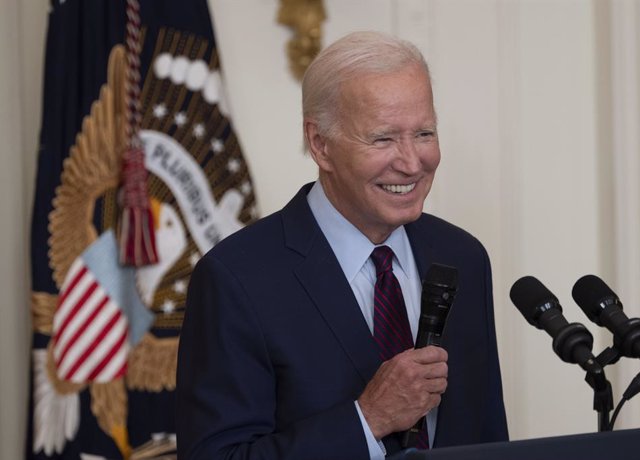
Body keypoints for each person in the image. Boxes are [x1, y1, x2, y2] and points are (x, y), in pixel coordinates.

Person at [176, 31, 508, 460]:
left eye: (424, 133)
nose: (411, 162)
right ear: (320, 144)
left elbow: (487, 437)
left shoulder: (463, 257)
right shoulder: (236, 278)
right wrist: (367, 420)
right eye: (383, 139)